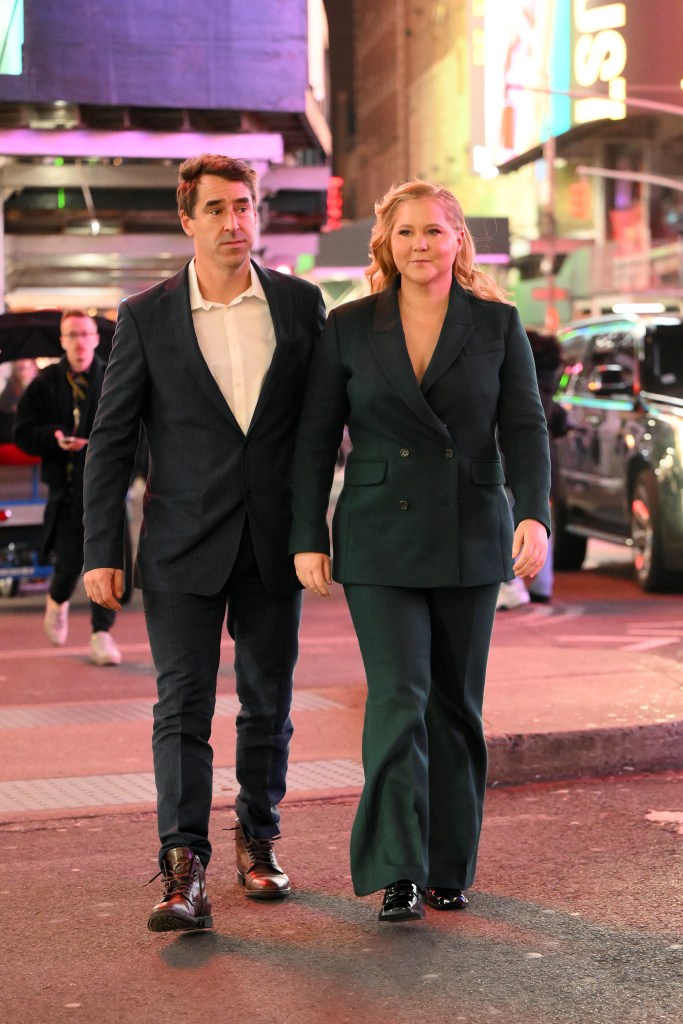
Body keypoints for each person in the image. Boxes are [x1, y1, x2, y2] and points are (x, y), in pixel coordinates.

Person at [289, 180, 550, 922]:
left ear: (458, 240)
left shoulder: (497, 325)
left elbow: (525, 430)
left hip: (470, 530)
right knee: (398, 700)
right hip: (377, 536)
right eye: (405, 233)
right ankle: (396, 867)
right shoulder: (347, 327)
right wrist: (307, 535)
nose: (420, 245)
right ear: (386, 243)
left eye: (434, 231)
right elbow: (314, 441)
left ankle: (447, 865)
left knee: (454, 707)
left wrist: (532, 516)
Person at [81, 153, 326, 933]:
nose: (234, 222)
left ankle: (260, 838)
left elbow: (321, 432)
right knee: (180, 707)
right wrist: (101, 550)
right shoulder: (146, 315)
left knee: (268, 704)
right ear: (187, 220)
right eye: (216, 209)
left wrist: (315, 531)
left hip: (273, 545)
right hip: (180, 545)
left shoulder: (298, 304)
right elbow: (111, 440)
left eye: (245, 206)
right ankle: (182, 868)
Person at [13, 311, 122, 666]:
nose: (78, 341)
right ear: (62, 340)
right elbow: (23, 433)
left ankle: (101, 634)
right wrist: (54, 439)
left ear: (95, 338)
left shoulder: (112, 378)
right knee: (70, 562)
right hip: (66, 491)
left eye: (84, 334)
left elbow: (135, 429)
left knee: (108, 561)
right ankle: (57, 601)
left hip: (105, 490)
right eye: (71, 334)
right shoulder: (44, 383)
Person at [0, 359, 38, 445]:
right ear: (18, 372)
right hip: (13, 440)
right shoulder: (10, 392)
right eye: (24, 368)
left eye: (31, 366)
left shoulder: (40, 386)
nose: (30, 370)